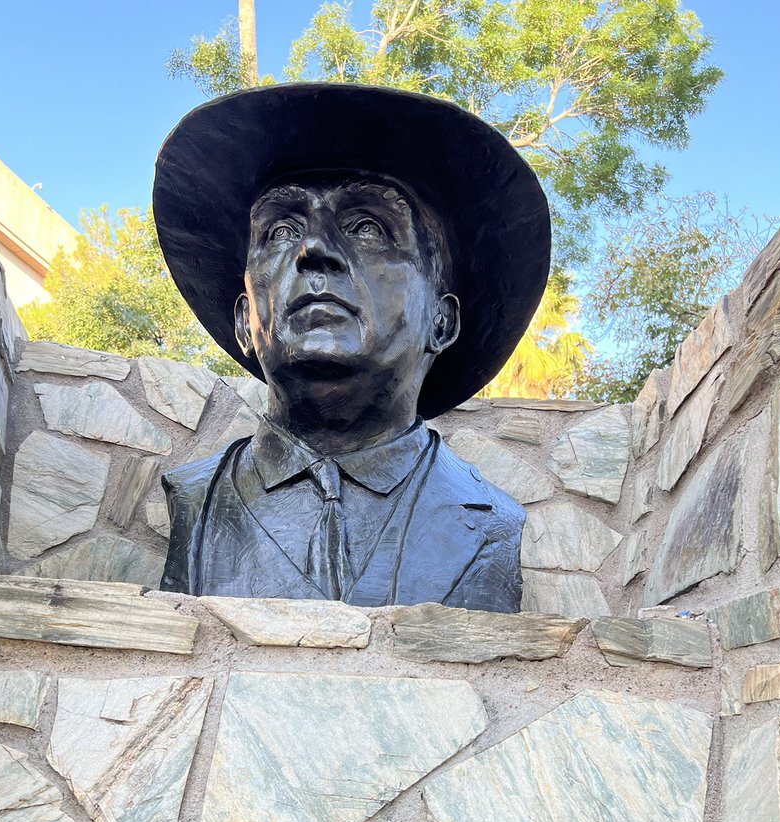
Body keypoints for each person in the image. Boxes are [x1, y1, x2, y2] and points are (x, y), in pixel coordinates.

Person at [153, 83, 550, 611]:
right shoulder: (194, 498)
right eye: (279, 231)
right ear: (246, 322)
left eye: (367, 227)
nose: (314, 249)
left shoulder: (491, 520)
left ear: (442, 319)